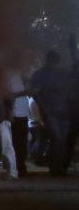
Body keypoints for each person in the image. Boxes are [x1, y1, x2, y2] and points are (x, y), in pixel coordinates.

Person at [29, 39, 76, 176]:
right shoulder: (43, 74)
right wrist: (44, 108)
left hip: (58, 111)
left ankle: (57, 168)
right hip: (55, 111)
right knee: (58, 140)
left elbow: (36, 93)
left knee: (59, 140)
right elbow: (36, 93)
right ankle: (56, 168)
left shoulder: (51, 74)